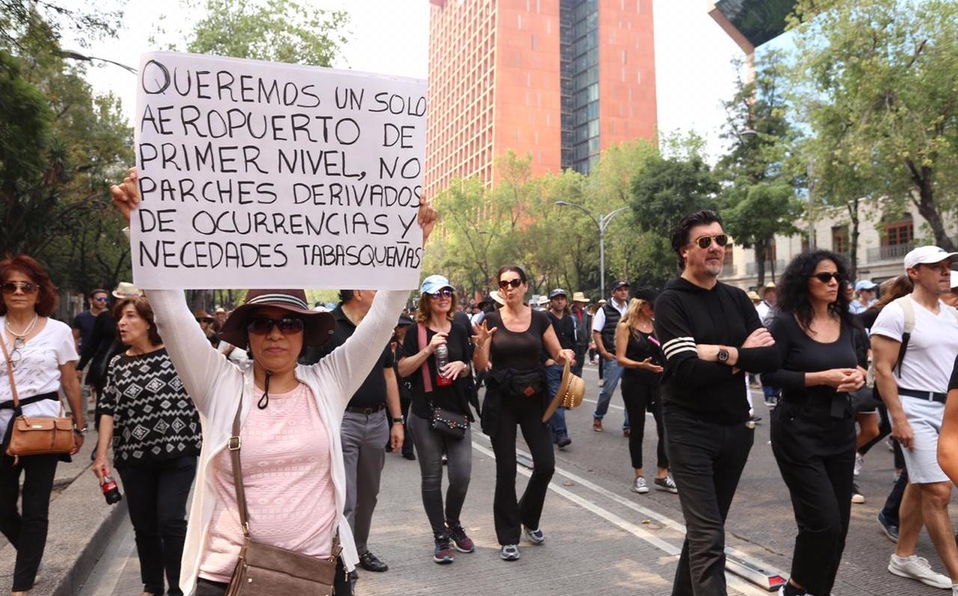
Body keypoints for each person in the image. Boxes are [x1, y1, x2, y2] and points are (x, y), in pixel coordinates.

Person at [110, 167, 436, 596]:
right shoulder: (219, 386)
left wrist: (410, 245)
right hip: (229, 577)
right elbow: (170, 315)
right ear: (247, 333)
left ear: (305, 333)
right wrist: (143, 227)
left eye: (290, 323)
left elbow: (381, 320)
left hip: (317, 575)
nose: (276, 334)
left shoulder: (328, 383)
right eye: (262, 323)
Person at [653, 210, 780, 596]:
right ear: (684, 250)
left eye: (721, 240)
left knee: (705, 532)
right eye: (705, 241)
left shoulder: (737, 298)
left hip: (736, 428)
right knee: (708, 538)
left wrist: (720, 353)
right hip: (688, 428)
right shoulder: (670, 301)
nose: (716, 248)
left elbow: (771, 358)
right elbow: (686, 370)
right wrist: (742, 354)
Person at [763, 250, 867, 596]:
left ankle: (818, 591)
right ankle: (794, 589)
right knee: (822, 523)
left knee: (839, 528)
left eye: (838, 276)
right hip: (797, 428)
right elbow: (770, 374)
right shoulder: (785, 324)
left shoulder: (849, 323)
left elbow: (861, 364)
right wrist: (821, 378)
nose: (833, 282)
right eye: (824, 276)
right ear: (804, 281)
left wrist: (860, 377)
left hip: (839, 428)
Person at [92, 295, 202, 596]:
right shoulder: (117, 364)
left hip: (178, 452)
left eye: (130, 316)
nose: (122, 323)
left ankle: (179, 587)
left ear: (149, 322)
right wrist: (101, 455)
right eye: (120, 318)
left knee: (171, 520)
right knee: (144, 526)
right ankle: (152, 586)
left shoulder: (178, 355)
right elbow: (107, 409)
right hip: (133, 457)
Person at [871, 245, 958, 591]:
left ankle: (903, 557)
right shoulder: (897, 312)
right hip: (914, 407)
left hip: (948, 410)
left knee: (919, 484)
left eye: (947, 265)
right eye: (936, 266)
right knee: (937, 490)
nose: (945, 271)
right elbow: (883, 370)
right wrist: (899, 420)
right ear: (914, 272)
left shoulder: (951, 315)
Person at [473, 265, 573, 562]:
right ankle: (508, 536)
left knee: (546, 464)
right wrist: (481, 344)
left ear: (525, 286)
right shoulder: (490, 319)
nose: (509, 288)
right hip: (502, 400)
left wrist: (566, 355)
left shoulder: (540, 319)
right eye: (504, 284)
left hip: (533, 398)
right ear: (499, 289)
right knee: (506, 469)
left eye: (515, 282)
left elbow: (556, 354)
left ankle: (527, 516)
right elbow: (480, 365)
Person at [0, 255, 85, 596]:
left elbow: (70, 382)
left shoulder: (58, 331)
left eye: (27, 286)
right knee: (2, 507)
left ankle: (21, 585)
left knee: (36, 507)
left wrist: (79, 426)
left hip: (44, 426)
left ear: (39, 292)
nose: (19, 292)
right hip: (1, 427)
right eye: (10, 286)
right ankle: (30, 556)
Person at [310, 288, 405, 580]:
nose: (381, 292)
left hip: (377, 421)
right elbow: (311, 374)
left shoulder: (379, 326)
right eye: (375, 287)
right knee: (346, 497)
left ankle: (360, 549)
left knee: (369, 494)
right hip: (343, 421)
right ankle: (343, 560)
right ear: (359, 291)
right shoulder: (329, 327)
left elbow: (389, 374)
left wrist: (397, 420)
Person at [397, 275, 475, 564]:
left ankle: (452, 523)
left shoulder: (461, 327)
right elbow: (402, 369)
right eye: (436, 294)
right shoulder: (415, 331)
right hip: (424, 412)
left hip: (456, 411)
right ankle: (440, 536)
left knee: (461, 476)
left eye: (447, 293)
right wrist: (428, 349)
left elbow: (470, 366)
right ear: (426, 300)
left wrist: (462, 365)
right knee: (431, 478)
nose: (443, 297)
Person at [614, 292, 675, 495]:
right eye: (651, 306)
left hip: (657, 381)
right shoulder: (626, 327)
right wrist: (641, 365)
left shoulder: (656, 326)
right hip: (635, 382)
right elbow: (620, 359)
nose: (654, 310)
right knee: (637, 428)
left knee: (665, 427)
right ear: (641, 305)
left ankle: (662, 473)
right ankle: (638, 475)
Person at [591, 280, 631, 434]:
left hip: (630, 356)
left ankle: (628, 426)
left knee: (630, 392)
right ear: (613, 292)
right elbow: (596, 332)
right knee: (607, 391)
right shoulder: (604, 310)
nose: (623, 292)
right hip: (613, 356)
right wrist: (603, 352)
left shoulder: (631, 308)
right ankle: (598, 416)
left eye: (625, 289)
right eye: (620, 289)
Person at [544, 288, 576, 449]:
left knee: (561, 398)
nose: (560, 301)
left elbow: (572, 341)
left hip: (566, 364)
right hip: (551, 365)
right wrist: (545, 359)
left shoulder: (569, 320)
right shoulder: (545, 318)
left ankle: (552, 431)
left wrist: (574, 357)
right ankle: (562, 433)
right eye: (556, 298)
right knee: (556, 397)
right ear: (551, 301)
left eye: (562, 298)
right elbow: (539, 341)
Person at [73, 288, 109, 352]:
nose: (103, 301)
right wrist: (75, 353)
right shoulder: (81, 317)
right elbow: (75, 337)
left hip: (106, 354)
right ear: (90, 300)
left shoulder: (111, 317)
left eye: (105, 299)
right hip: (86, 353)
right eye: (99, 299)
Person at [570, 292, 592, 378]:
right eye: (580, 302)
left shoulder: (585, 313)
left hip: (583, 342)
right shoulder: (569, 313)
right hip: (574, 343)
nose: (582, 303)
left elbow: (587, 327)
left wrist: (589, 340)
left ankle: (578, 381)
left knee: (580, 364)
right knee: (573, 365)